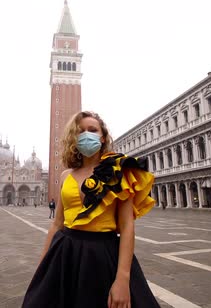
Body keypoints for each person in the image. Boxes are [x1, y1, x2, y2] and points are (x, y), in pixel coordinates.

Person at [22, 111, 160, 308]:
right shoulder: (65, 176)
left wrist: (123, 278)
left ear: (102, 137)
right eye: (81, 131)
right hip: (64, 254)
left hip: (103, 255)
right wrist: (43, 264)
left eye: (92, 130)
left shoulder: (119, 171)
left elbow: (127, 226)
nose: (86, 134)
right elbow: (57, 224)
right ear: (74, 138)